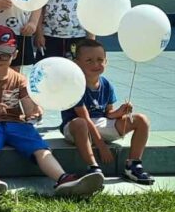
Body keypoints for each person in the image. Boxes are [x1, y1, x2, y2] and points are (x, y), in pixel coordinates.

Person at [0, 26, 105, 197]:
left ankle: (63, 178)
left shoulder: (20, 80)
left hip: (16, 123)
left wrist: (35, 112)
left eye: (5, 54)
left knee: (40, 148)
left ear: (15, 54)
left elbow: (29, 108)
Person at [61, 39, 154, 184]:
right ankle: (93, 168)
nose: (95, 64)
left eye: (100, 60)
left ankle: (133, 165)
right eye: (89, 60)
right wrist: (102, 146)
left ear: (106, 61)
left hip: (100, 124)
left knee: (142, 119)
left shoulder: (106, 84)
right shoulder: (75, 85)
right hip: (76, 128)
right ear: (77, 63)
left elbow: (108, 114)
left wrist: (120, 112)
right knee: (80, 123)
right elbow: (85, 118)